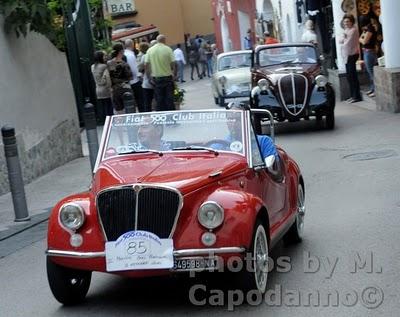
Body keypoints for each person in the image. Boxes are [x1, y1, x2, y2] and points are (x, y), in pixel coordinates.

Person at [145, 34, 176, 111]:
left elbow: (146, 64)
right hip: (167, 78)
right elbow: (173, 63)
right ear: (164, 40)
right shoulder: (168, 49)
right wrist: (174, 74)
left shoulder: (150, 50)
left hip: (156, 79)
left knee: (159, 100)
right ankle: (172, 117)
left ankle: (161, 116)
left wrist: (149, 77)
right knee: (169, 99)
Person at [339, 14, 362, 103]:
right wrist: (343, 40)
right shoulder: (346, 30)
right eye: (345, 21)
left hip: (351, 55)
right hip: (347, 55)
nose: (346, 23)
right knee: (349, 76)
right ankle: (353, 95)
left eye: (348, 21)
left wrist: (343, 42)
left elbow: (346, 44)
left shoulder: (353, 30)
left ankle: (356, 96)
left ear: (352, 22)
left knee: (352, 76)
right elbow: (340, 40)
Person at [107, 43, 133, 114]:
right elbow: (130, 76)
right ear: (121, 51)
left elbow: (108, 77)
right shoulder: (124, 64)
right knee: (129, 109)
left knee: (118, 111)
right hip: (125, 88)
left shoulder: (109, 63)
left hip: (115, 89)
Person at [91, 51, 113, 122]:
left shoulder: (92, 67)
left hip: (98, 89)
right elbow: (108, 78)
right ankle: (110, 122)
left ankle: (104, 122)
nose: (105, 57)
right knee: (109, 107)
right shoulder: (104, 66)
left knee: (103, 106)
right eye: (104, 56)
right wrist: (110, 88)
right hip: (105, 89)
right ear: (100, 57)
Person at [359, 15, 377, 97]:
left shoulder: (370, 29)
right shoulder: (367, 28)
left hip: (369, 52)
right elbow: (361, 38)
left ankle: (376, 90)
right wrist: (361, 39)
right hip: (366, 52)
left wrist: (361, 39)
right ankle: (372, 88)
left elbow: (364, 41)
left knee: (371, 72)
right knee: (369, 72)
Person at [124, 39, 144, 112]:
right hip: (135, 81)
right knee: (140, 100)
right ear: (132, 44)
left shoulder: (125, 54)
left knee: (130, 102)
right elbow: (135, 69)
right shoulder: (130, 55)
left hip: (128, 82)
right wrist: (140, 77)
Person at [139, 42, 153, 112]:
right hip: (156, 80)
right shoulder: (153, 55)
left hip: (147, 83)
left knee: (147, 103)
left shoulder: (144, 56)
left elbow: (140, 68)